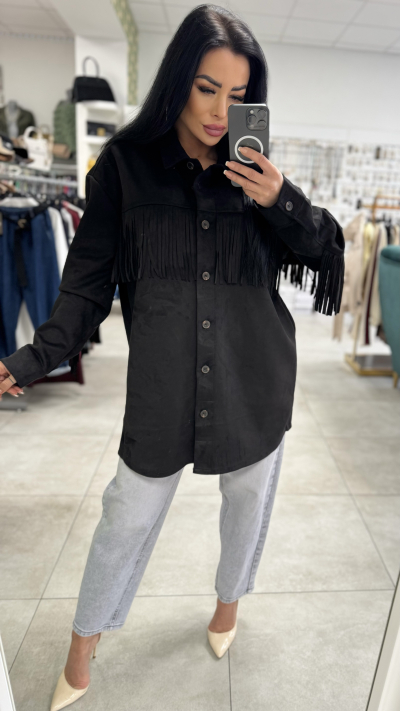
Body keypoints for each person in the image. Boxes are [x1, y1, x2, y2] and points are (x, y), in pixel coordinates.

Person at [0, 5, 345, 710]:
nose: (221, 111)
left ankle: (227, 604)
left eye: (238, 94)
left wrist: (279, 200)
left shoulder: (258, 172)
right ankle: (82, 643)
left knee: (246, 506)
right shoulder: (123, 168)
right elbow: (86, 284)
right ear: (177, 80)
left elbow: (326, 253)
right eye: (206, 87)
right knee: (125, 515)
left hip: (255, 379)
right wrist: (32, 358)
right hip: (162, 385)